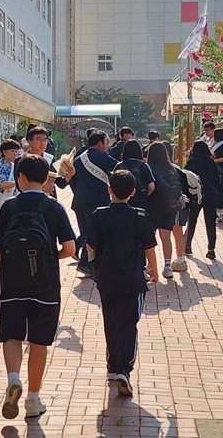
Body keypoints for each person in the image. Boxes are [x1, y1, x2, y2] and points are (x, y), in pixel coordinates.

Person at [0, 154, 76, 420]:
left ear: (22, 178)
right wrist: (50, 258)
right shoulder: (54, 208)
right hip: (45, 284)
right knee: (39, 341)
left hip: (13, 283)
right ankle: (33, 400)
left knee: (12, 335)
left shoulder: (9, 207)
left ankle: (14, 379)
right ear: (44, 178)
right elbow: (71, 249)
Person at [86, 170, 158, 396]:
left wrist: (94, 268)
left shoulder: (99, 215)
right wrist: (154, 271)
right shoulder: (140, 215)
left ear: (109, 190)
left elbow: (91, 246)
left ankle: (112, 366)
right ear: (134, 192)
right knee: (129, 324)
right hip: (133, 279)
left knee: (111, 321)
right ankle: (124, 370)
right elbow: (149, 248)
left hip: (107, 278)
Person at [70, 130, 118, 276]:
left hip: (79, 201)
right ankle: (86, 263)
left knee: (86, 232)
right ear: (99, 143)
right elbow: (120, 169)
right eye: (107, 142)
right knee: (96, 233)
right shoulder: (104, 157)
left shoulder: (78, 159)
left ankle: (87, 263)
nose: (108, 145)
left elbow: (73, 181)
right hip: (97, 202)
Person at [146, 141, 187, 279]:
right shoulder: (172, 168)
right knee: (166, 237)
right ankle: (168, 266)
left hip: (152, 208)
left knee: (149, 238)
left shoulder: (148, 167)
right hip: (169, 207)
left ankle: (149, 266)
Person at [184, 141, 220, 260]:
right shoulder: (212, 163)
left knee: (192, 219)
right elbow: (217, 178)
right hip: (211, 194)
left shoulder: (191, 163)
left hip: (196, 195)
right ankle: (211, 249)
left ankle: (187, 245)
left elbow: (186, 178)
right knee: (210, 222)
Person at [113, 139, 155, 212]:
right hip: (140, 203)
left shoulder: (119, 166)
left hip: (122, 202)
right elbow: (151, 186)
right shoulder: (143, 165)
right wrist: (143, 196)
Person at [0, 138, 20, 223]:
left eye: (16, 151)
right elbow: (2, 185)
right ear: (4, 152)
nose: (15, 153)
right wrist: (18, 182)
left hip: (13, 203)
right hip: (0, 202)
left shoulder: (15, 165)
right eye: (12, 151)